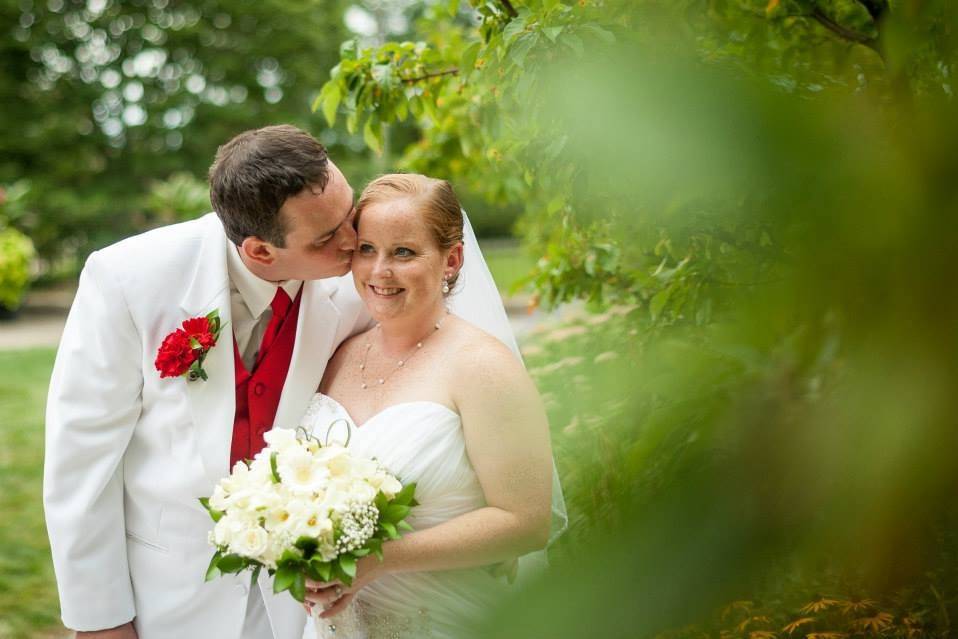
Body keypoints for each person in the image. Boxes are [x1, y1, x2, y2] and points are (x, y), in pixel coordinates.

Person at [43, 125, 369, 639]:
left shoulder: (362, 283)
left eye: (348, 213)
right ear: (260, 251)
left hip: (302, 605)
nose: (354, 242)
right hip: (168, 595)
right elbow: (82, 459)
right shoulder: (127, 279)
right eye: (328, 238)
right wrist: (98, 619)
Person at [297, 174, 560, 639]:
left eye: (404, 252)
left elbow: (526, 523)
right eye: (366, 249)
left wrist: (374, 561)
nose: (379, 271)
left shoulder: (483, 367)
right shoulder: (336, 354)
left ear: (451, 260)